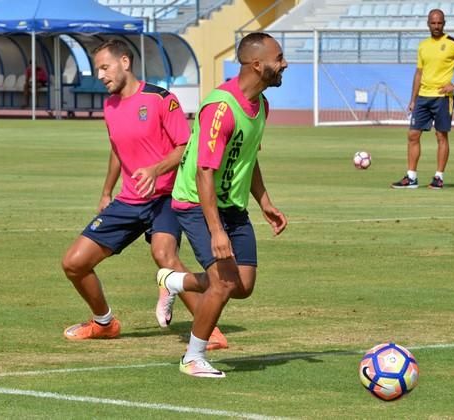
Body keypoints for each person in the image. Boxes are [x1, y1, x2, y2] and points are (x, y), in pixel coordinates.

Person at [61, 39, 228, 351]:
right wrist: (106, 191)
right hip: (129, 200)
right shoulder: (109, 105)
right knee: (73, 263)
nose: (100, 75)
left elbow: (187, 147)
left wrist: (155, 169)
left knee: (164, 255)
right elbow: (117, 148)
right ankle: (104, 323)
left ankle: (208, 330)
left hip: (166, 197)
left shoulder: (161, 99)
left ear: (125, 62)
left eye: (104, 67)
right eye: (97, 69)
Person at [154, 32, 288, 378]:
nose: (284, 64)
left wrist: (265, 202)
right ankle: (193, 357)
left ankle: (174, 282)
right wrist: (216, 231)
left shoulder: (262, 106)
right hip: (197, 202)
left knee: (243, 285)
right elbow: (203, 172)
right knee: (224, 282)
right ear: (257, 65)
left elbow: (248, 157)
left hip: (232, 204)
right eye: (279, 58)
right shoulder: (221, 108)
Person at [391, 9, 454, 190]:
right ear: (428, 23)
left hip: (442, 98)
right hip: (423, 97)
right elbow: (419, 73)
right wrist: (413, 99)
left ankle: (438, 177)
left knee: (441, 136)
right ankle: (411, 177)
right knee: (413, 134)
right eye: (433, 23)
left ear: (444, 23)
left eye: (439, 23)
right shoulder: (423, 45)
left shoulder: (453, 44)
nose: (436, 26)